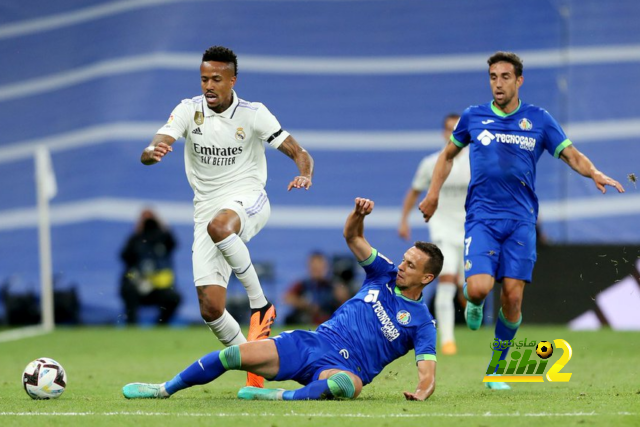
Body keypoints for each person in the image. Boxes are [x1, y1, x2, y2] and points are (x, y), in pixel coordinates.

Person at [418, 51, 625, 390]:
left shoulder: (538, 120)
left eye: (504, 77)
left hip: (521, 221)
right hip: (482, 219)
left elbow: (570, 154)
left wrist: (594, 172)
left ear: (519, 81)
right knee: (480, 288)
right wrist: (433, 193)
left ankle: (497, 370)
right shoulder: (473, 116)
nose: (498, 83)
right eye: (493, 77)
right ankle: (473, 301)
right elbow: (447, 156)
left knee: (512, 298)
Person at [122, 197, 442, 401]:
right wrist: (358, 215)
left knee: (346, 385)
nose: (401, 266)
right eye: (404, 259)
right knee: (232, 356)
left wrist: (420, 393)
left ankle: (277, 397)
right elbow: (353, 237)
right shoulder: (383, 273)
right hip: (312, 344)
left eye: (410, 265)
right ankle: (164, 389)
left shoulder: (423, 323)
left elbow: (427, 375)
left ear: (426, 278)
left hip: (348, 368)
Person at [140, 46, 314, 387]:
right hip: (205, 209)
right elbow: (156, 143)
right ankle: (256, 366)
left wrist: (305, 173)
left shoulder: (254, 114)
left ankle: (260, 305)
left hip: (248, 198)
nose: (209, 85)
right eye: (204, 78)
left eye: (217, 79)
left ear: (232, 80)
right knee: (210, 307)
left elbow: (299, 151)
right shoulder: (189, 110)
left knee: (220, 225)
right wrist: (151, 152)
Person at [398, 113, 468, 356]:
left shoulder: (477, 161)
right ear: (443, 133)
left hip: (470, 231)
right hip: (443, 231)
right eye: (448, 129)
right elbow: (414, 191)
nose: (452, 134)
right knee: (446, 280)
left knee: (472, 289)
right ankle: (448, 340)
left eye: (456, 129)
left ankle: (465, 289)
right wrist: (404, 219)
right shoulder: (432, 162)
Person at [120, 209, 181, 325]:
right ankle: (131, 326)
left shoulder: (163, 239)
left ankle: (160, 326)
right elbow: (126, 264)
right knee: (127, 288)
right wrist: (136, 279)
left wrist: (162, 224)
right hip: (137, 284)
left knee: (174, 297)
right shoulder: (135, 240)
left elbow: (173, 243)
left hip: (158, 287)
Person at [284, 251, 349, 325]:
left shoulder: (334, 285)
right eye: (314, 267)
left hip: (328, 323)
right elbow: (288, 298)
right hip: (307, 322)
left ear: (326, 267)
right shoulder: (304, 284)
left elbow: (345, 305)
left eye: (319, 266)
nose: (317, 270)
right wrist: (306, 305)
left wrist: (342, 297)